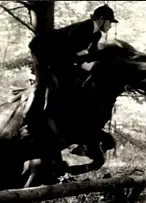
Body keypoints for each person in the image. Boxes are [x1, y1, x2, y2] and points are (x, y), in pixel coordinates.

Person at [24, 4, 118, 181]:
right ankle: (29, 122)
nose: (111, 26)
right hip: (43, 53)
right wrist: (83, 62)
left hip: (61, 59)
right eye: (110, 22)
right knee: (47, 84)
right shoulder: (83, 29)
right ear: (101, 19)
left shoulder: (96, 33)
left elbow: (89, 55)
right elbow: (66, 55)